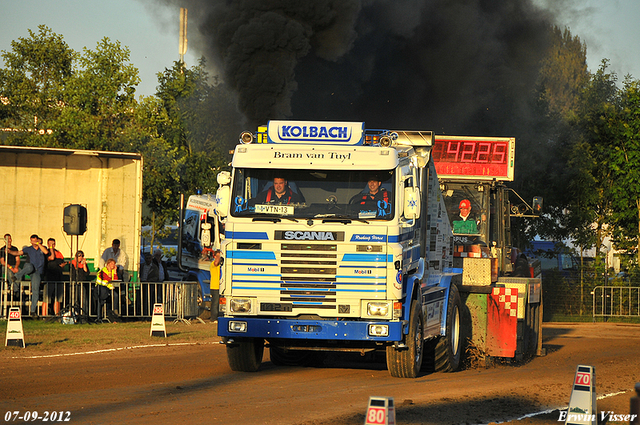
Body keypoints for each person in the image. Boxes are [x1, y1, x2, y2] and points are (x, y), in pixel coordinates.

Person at [10, 234, 49, 317]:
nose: (33, 242)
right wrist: (10, 252)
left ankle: (32, 311)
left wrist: (38, 244)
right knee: (29, 266)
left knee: (36, 290)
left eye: (35, 240)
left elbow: (46, 252)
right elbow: (18, 252)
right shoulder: (28, 249)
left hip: (37, 271)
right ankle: (16, 276)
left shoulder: (42, 248)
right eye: (32, 241)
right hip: (29, 267)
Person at [45, 238, 66, 314]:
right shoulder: (46, 252)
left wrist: (61, 265)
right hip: (49, 278)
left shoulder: (59, 253)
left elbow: (62, 263)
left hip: (59, 278)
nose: (52, 245)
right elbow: (52, 258)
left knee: (58, 299)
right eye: (50, 244)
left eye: (53, 244)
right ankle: (44, 316)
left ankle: (57, 315)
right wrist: (51, 249)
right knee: (47, 299)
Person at [209, 249, 222, 323]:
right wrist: (218, 257)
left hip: (219, 286)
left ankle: (216, 316)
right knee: (215, 303)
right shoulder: (213, 264)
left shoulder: (220, 265)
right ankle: (213, 318)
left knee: (217, 303)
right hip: (214, 286)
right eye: (217, 256)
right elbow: (216, 263)